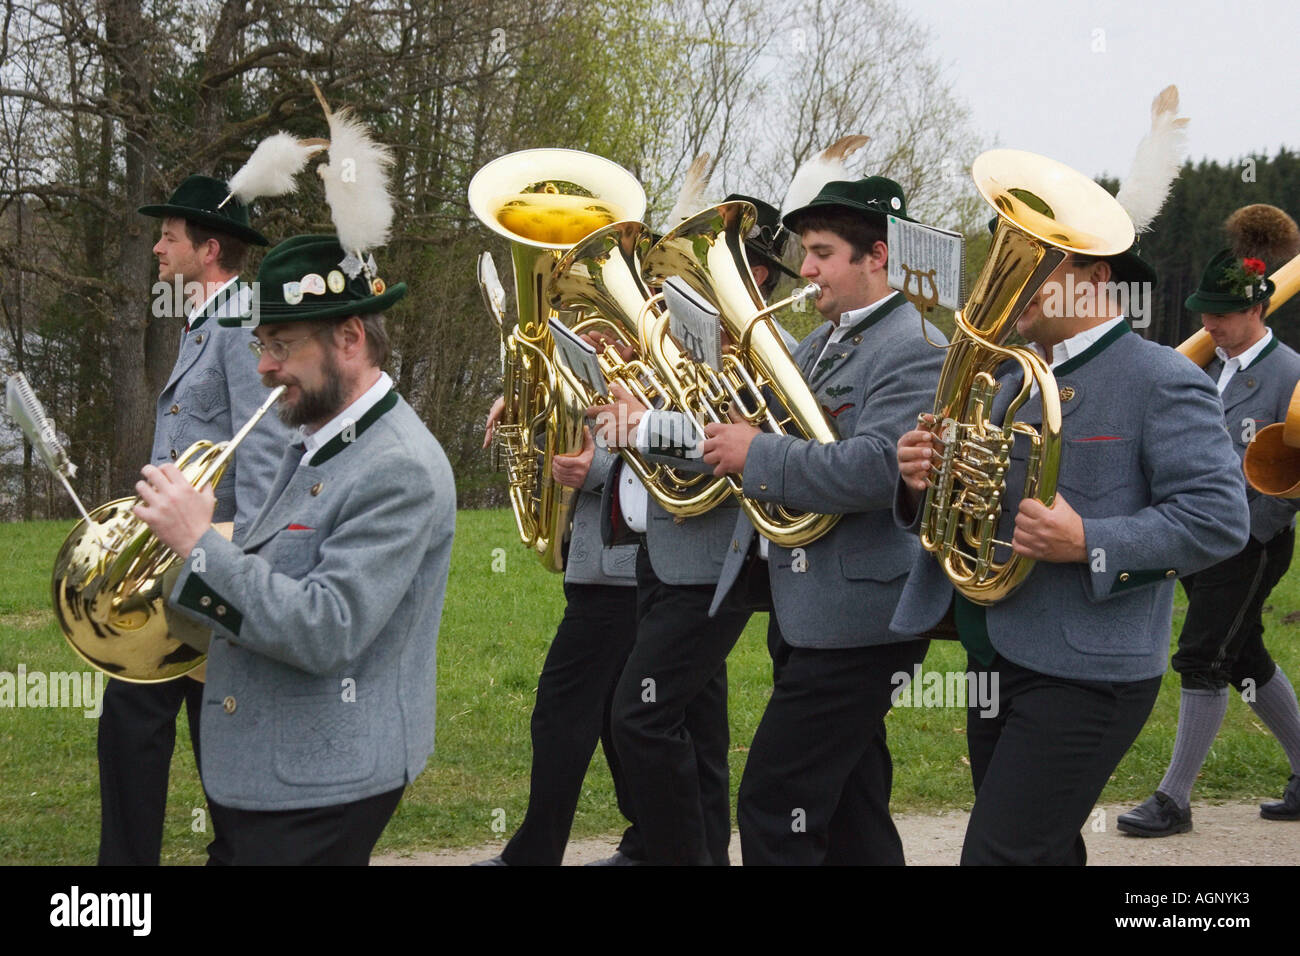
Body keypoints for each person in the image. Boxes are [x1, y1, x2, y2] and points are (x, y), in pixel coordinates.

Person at [893, 230, 1251, 865]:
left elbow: (1220, 519)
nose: (1013, 286)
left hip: (1089, 670)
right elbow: (976, 508)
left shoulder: (1161, 376)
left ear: (1097, 278)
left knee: (999, 856)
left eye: (1038, 268)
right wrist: (927, 478)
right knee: (1045, 851)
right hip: (996, 655)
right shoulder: (1012, 376)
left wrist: (1090, 541)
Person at [132, 232, 455, 865]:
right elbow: (273, 570)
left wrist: (198, 544)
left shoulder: (399, 467)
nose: (262, 368)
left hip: (321, 779)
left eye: (281, 346)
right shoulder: (317, 437)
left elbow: (325, 628)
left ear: (350, 339)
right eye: (261, 345)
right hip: (276, 765)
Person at [695, 177, 944, 865]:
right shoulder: (822, 344)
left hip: (862, 619)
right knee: (853, 809)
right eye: (807, 252)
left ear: (877, 257)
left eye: (822, 253)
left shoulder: (916, 343)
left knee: (776, 804)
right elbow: (776, 439)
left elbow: (877, 468)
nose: (805, 270)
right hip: (811, 609)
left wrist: (760, 450)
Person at [589, 194, 789, 865]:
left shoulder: (767, 351)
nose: (671, 283)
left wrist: (640, 425)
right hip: (666, 552)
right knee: (694, 730)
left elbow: (729, 437)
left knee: (639, 719)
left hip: (714, 561)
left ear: (753, 274)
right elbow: (669, 429)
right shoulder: (692, 341)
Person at [97, 174, 288, 865]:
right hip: (164, 576)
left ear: (208, 249)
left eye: (168, 237)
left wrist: (238, 573)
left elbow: (262, 463)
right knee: (133, 728)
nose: (156, 248)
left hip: (208, 571)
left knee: (211, 749)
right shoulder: (204, 321)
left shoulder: (240, 327)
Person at [1119, 240, 1300, 835]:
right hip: (1198, 538)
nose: (1209, 323)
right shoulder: (1206, 366)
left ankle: (1173, 800)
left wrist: (1250, 532)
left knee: (1203, 656)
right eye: (1205, 311)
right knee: (1244, 655)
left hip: (1250, 540)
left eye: (1222, 312)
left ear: (1257, 311)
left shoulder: (1293, 375)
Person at [476, 408, 642, 865]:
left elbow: (684, 458)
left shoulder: (658, 366)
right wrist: (526, 405)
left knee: (562, 709)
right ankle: (650, 842)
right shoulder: (601, 372)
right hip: (600, 570)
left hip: (626, 574)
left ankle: (534, 855)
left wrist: (599, 472)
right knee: (617, 714)